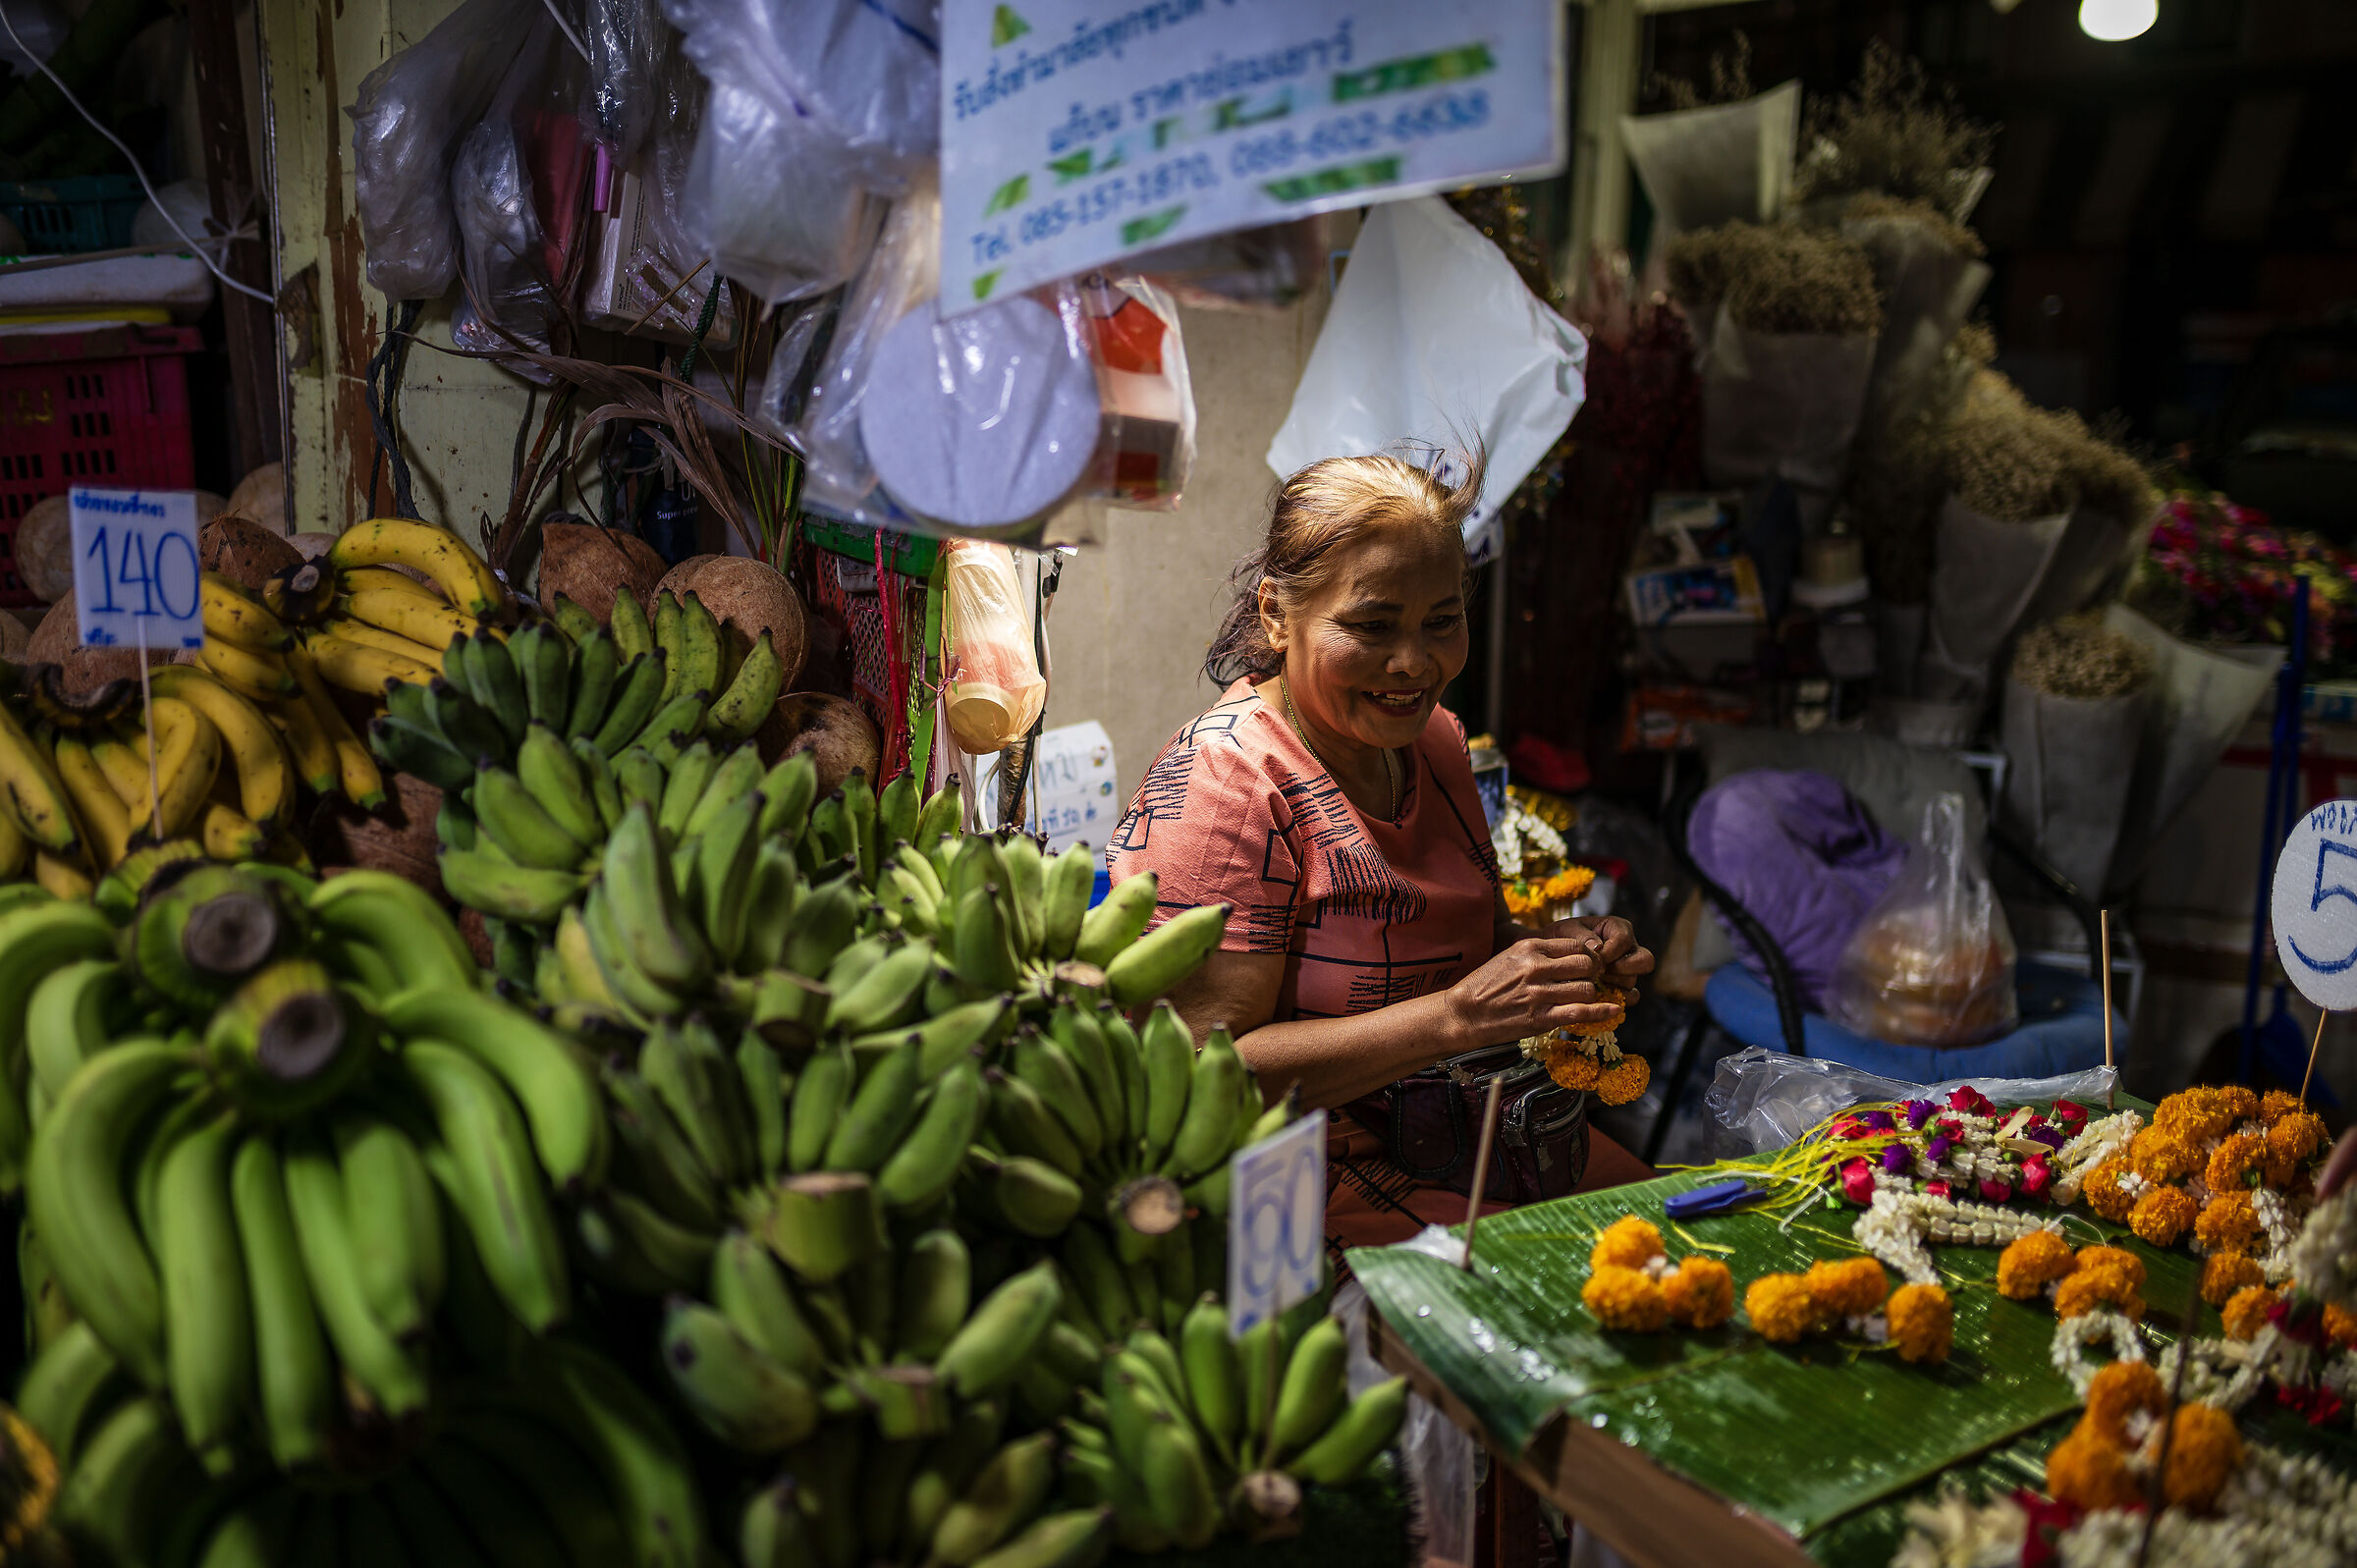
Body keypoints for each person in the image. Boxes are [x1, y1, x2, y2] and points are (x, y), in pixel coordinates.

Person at [1105, 451, 1655, 1251]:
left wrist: (1549, 957)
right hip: (1291, 1192)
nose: (1414, 663)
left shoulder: (1432, 741)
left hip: (1474, 1146)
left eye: (1441, 620)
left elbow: (1467, 942)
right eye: (1371, 626)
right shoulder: (1229, 782)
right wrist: (1455, 1019)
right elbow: (1198, 1070)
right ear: (1275, 615)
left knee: (1694, 1246)